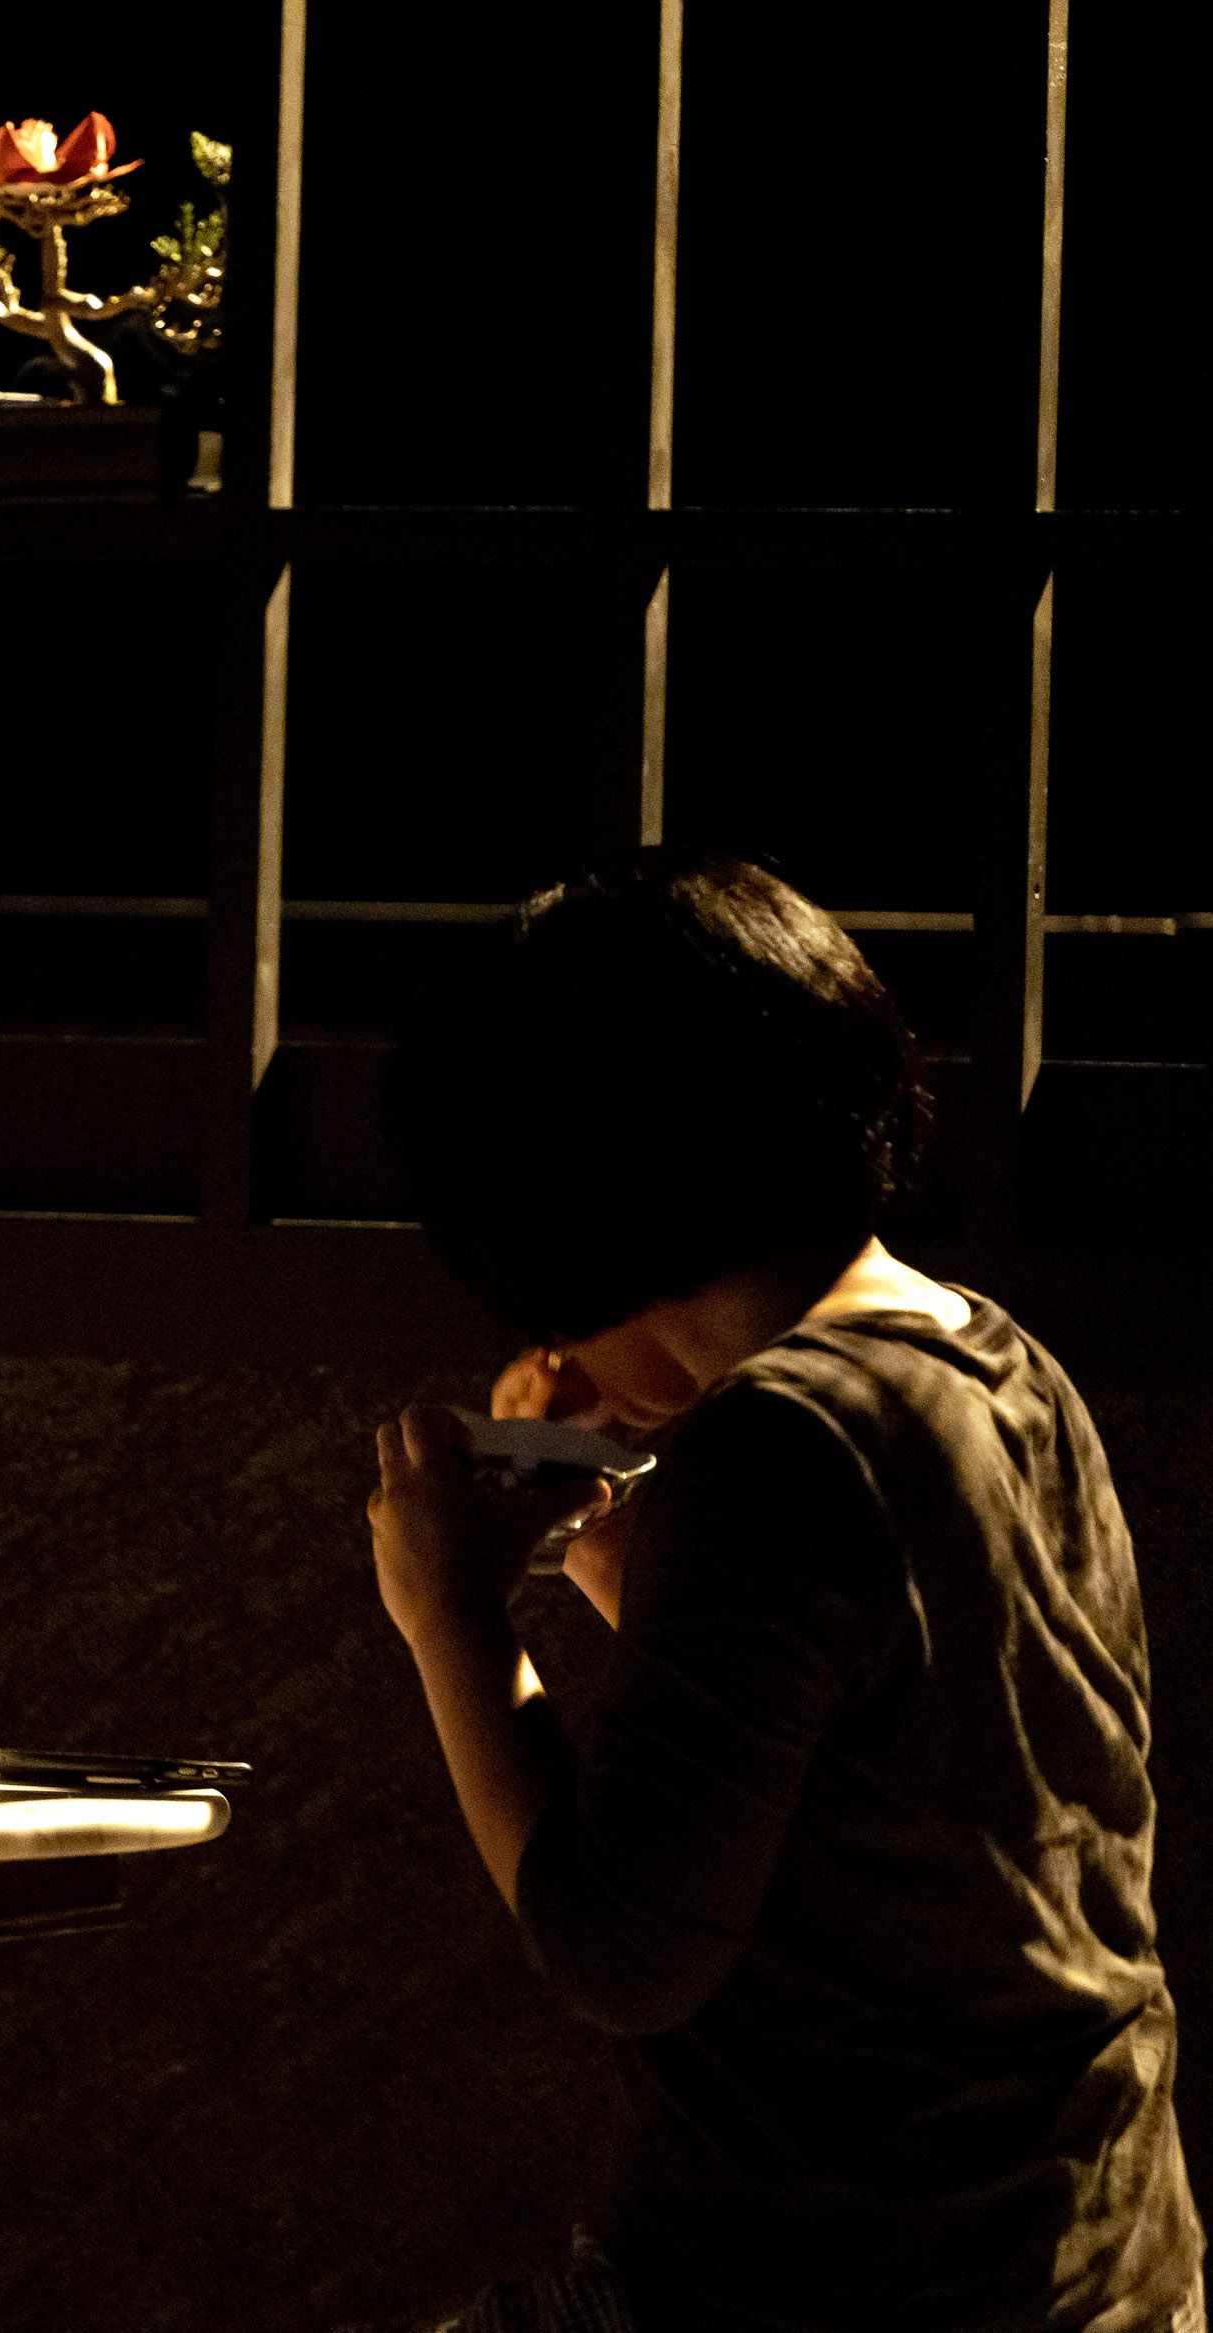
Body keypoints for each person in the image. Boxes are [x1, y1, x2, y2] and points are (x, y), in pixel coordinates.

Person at [363, 850, 1201, 2333]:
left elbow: (622, 1949)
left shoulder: (775, 1444)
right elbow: (878, 1740)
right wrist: (620, 1554)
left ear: (583, 1230)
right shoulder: (991, 1361)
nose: (547, 1354)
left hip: (847, 2284)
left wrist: (456, 1619)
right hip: (1105, 2266)